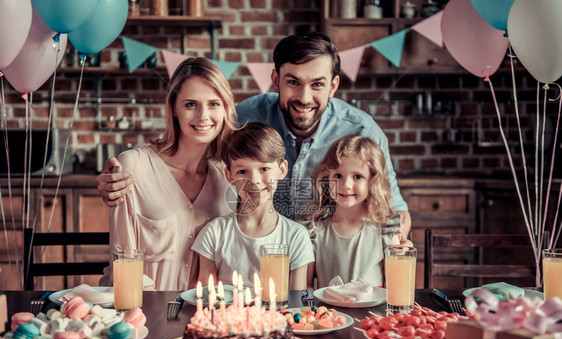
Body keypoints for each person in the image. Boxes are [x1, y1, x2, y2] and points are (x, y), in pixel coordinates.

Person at [96, 32, 412, 236]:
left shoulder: (361, 131)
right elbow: (191, 146)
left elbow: (394, 211)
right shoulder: (246, 117)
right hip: (253, 258)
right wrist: (127, 174)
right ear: (275, 80)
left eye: (317, 84)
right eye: (293, 82)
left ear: (333, 85)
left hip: (327, 267)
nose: (304, 96)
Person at [99, 57, 238, 291]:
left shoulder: (227, 184)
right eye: (191, 104)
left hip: (200, 317)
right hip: (141, 313)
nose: (203, 116)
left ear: (226, 109)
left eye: (214, 104)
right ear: (174, 108)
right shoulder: (134, 167)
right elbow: (123, 266)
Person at [193, 122, 313, 289]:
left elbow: (295, 301)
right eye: (242, 171)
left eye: (264, 169)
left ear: (282, 169)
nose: (254, 180)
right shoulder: (214, 233)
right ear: (229, 176)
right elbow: (207, 299)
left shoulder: (296, 236)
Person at [306, 135, 412, 289]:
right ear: (327, 178)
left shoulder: (386, 231)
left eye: (357, 176)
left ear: (372, 182)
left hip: (375, 312)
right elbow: (306, 288)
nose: (346, 185)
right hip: (329, 312)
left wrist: (404, 257)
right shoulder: (314, 232)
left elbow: (396, 290)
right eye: (338, 175)